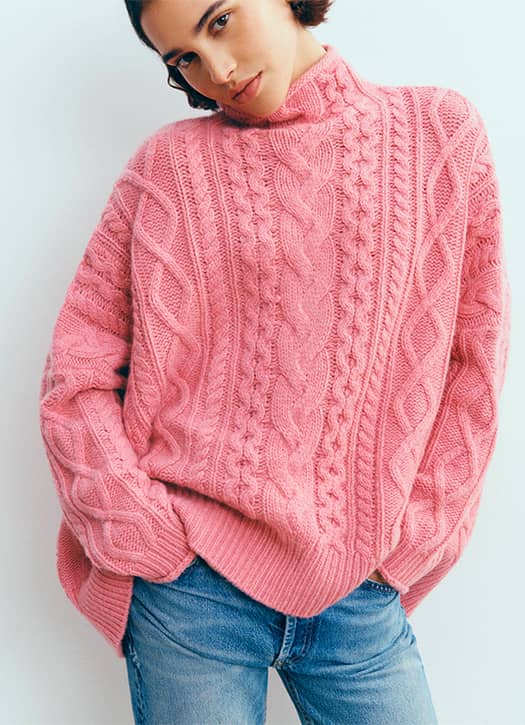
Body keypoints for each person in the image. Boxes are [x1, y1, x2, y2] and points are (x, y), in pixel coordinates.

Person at [38, 0, 511, 722]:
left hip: (360, 591)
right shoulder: (169, 167)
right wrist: (141, 532)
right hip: (192, 588)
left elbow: (475, 361)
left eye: (219, 21)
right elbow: (76, 373)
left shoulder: (438, 135)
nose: (217, 69)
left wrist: (411, 540)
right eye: (183, 59)